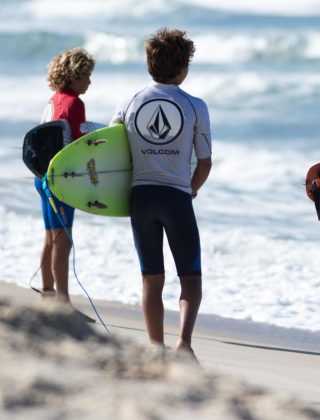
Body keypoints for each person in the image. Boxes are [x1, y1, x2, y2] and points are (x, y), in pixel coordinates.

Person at [111, 28, 212, 355]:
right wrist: (190, 190)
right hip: (176, 199)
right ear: (183, 68)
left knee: (151, 279)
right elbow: (205, 162)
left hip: (140, 199)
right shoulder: (195, 106)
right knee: (190, 279)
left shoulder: (130, 101)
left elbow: (112, 153)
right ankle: (183, 344)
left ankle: (155, 348)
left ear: (149, 64)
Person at [35, 48, 95, 302]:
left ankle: (48, 294)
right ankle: (63, 301)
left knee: (51, 237)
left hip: (43, 176)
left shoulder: (55, 99)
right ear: (74, 76)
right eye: (86, 76)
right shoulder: (75, 103)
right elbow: (77, 145)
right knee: (63, 240)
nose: (89, 81)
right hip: (62, 179)